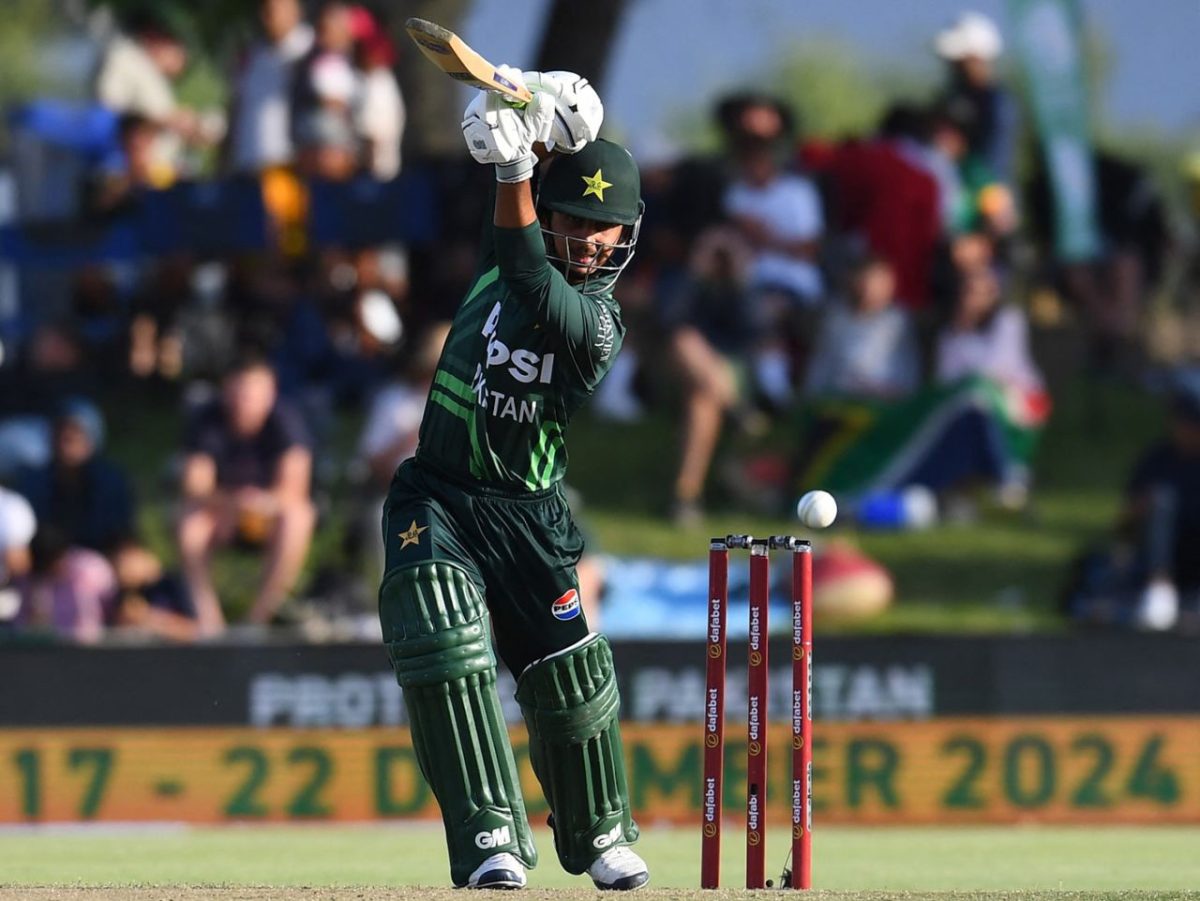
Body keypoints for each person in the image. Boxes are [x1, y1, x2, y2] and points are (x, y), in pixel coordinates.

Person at [377, 69, 648, 890]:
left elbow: (533, 276)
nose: (595, 241)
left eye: (609, 228)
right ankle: (491, 830)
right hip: (440, 493)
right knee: (442, 637)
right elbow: (514, 237)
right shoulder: (507, 247)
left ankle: (600, 832)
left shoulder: (597, 323)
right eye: (579, 220)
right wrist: (518, 115)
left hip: (530, 516)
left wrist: (514, 169)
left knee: (569, 676)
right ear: (548, 215)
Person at [177, 354, 316, 634]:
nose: (246, 402)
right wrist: (233, 504)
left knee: (299, 517)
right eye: (240, 393)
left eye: (254, 394)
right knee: (190, 523)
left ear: (270, 393)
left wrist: (261, 504)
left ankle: (259, 619)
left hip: (269, 517)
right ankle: (208, 622)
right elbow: (194, 484)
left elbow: (295, 488)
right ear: (226, 391)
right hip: (221, 515)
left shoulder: (286, 420)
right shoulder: (208, 420)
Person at [17, 398, 135, 554]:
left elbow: (121, 536)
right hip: (46, 566)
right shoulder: (32, 483)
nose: (67, 438)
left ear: (92, 438)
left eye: (76, 432)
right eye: (61, 432)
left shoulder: (112, 482)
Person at [225, 0, 315, 175]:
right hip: (248, 167)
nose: (270, 15)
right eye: (266, 9)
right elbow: (237, 108)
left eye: (276, 8)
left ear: (296, 10)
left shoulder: (312, 51)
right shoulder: (253, 56)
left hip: (292, 167)